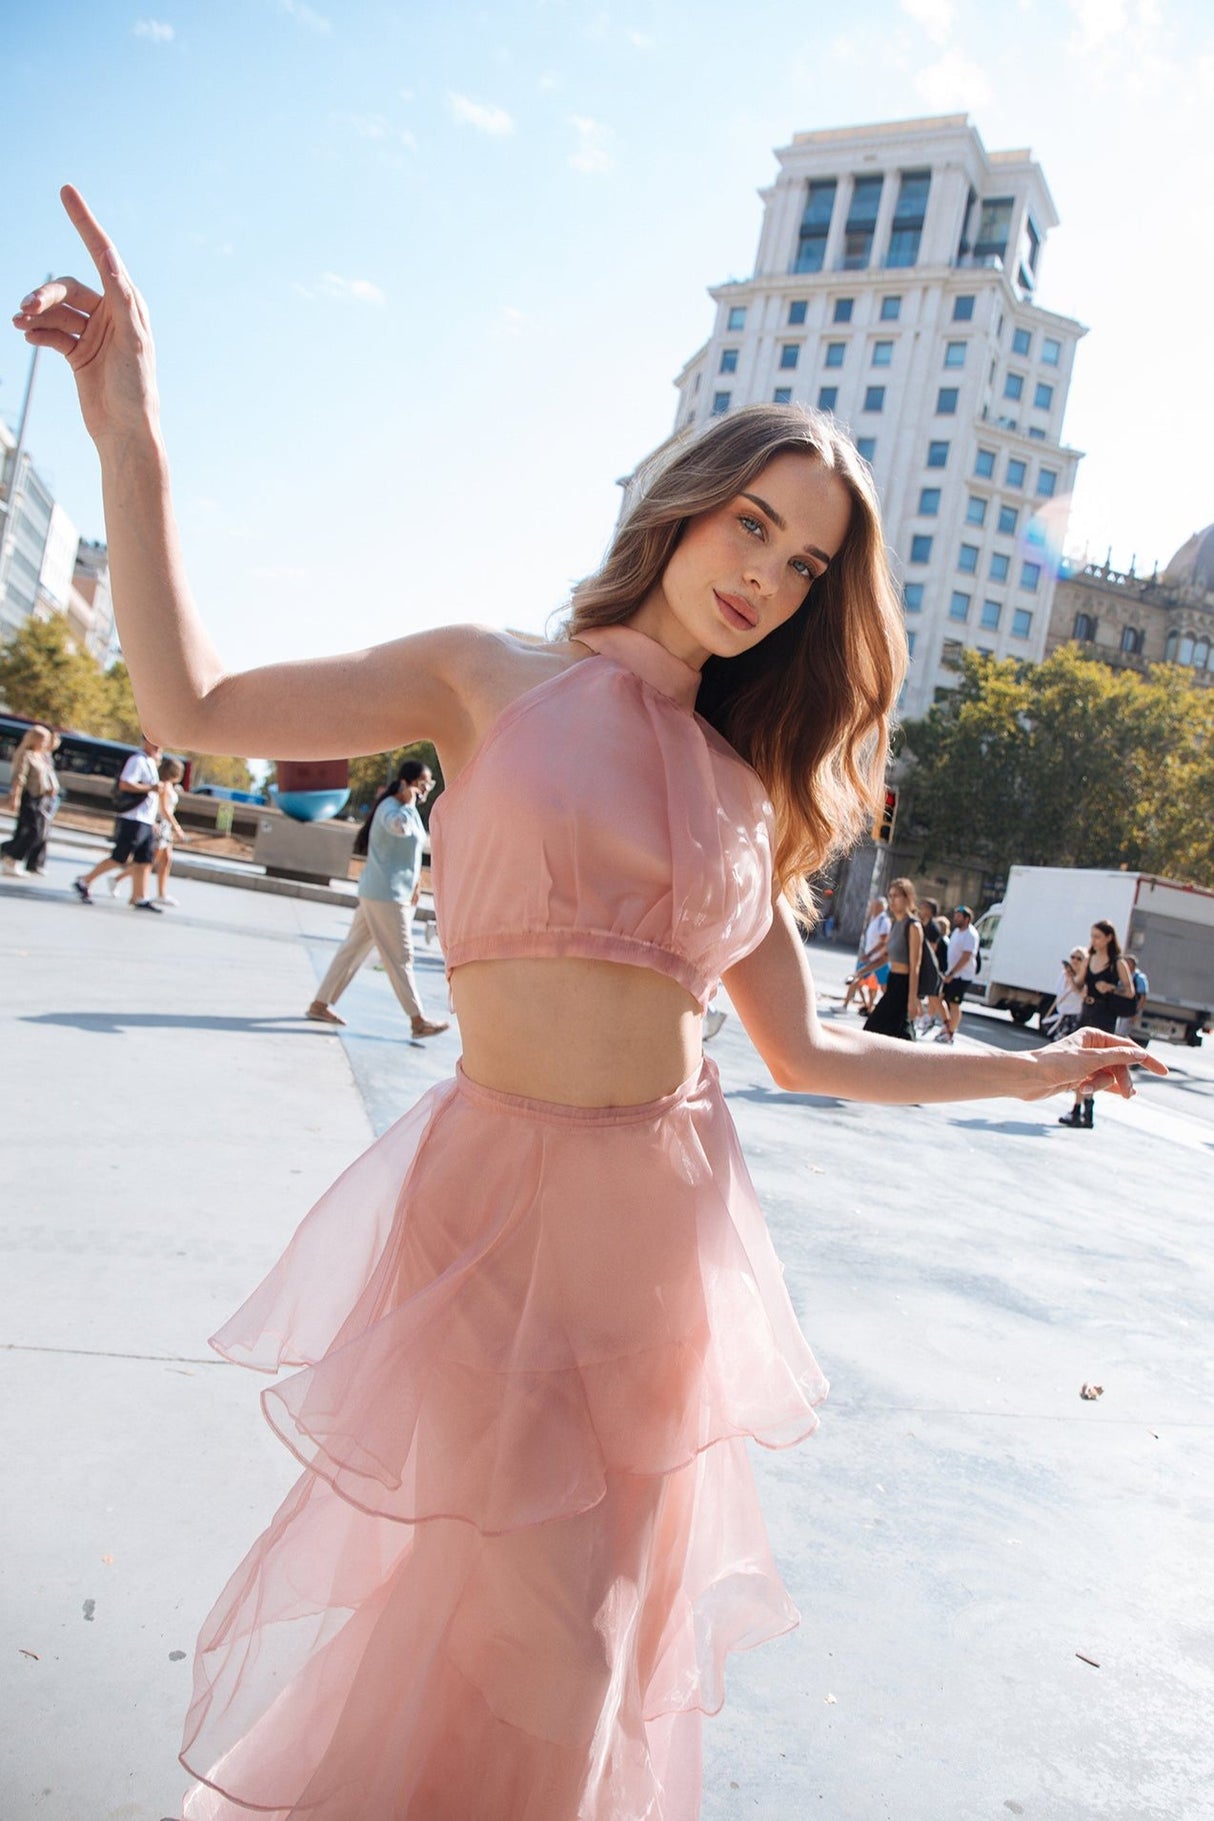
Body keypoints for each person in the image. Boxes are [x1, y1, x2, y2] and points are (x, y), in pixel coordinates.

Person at [15, 188, 1162, 1821]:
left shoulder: (747, 790)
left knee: (595, 1656)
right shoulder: (486, 679)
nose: (765, 575)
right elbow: (186, 703)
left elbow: (802, 1051)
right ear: (686, 509)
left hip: (668, 1255)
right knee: (528, 1655)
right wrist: (129, 421)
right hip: (493, 1224)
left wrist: (1023, 1063)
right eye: (750, 527)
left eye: (806, 562)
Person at [306, 760, 449, 1040]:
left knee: (352, 950)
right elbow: (398, 828)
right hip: (385, 895)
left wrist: (416, 883)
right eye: (422, 781)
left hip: (383, 892)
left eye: (428, 783)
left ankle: (319, 1004)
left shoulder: (410, 811)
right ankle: (418, 1020)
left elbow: (412, 851)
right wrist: (408, 801)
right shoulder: (392, 809)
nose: (426, 787)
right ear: (407, 782)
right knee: (402, 956)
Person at [73, 731, 165, 911]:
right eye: (155, 744)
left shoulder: (150, 763)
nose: (158, 748)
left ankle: (139, 896)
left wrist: (152, 820)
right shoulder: (137, 760)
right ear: (145, 741)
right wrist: (151, 787)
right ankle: (85, 880)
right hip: (133, 818)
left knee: (144, 860)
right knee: (121, 856)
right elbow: (125, 783)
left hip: (145, 820)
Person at [1058, 920, 1136, 1129]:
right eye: (1092, 936)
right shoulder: (1090, 958)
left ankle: (1083, 1110)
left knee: (1093, 1064)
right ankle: (1081, 1109)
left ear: (1109, 937)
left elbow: (1130, 992)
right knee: (1081, 1061)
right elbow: (1079, 986)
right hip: (1087, 1011)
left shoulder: (1117, 963)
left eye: (1098, 936)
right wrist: (1070, 975)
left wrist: (1111, 987)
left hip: (1104, 1015)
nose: (1093, 940)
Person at [108, 754, 187, 903]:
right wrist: (177, 828)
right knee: (148, 861)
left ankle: (160, 893)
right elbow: (164, 809)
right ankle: (119, 880)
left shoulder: (168, 785)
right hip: (159, 824)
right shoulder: (162, 785)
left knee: (165, 859)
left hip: (164, 825)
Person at [862, 877, 923, 1040]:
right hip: (893, 981)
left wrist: (912, 999)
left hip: (904, 986)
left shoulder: (913, 926)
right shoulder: (895, 924)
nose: (892, 900)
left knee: (875, 1029)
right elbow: (885, 957)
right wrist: (862, 971)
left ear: (907, 897)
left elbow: (915, 965)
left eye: (896, 895)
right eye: (890, 895)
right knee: (890, 1033)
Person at [2, 723, 60, 875]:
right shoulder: (25, 754)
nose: (47, 743)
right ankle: (10, 856)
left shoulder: (40, 755)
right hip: (29, 797)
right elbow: (19, 777)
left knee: (35, 832)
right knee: (32, 831)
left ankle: (12, 858)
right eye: (44, 739)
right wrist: (15, 796)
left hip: (41, 797)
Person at [839, 894, 889, 1014]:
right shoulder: (873, 919)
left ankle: (876, 1008)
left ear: (881, 907)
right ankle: (848, 1005)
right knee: (857, 979)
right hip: (869, 957)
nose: (873, 907)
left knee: (881, 986)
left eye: (876, 905)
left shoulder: (883, 921)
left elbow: (884, 942)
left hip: (878, 959)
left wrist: (870, 954)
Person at [937, 904, 980, 1044]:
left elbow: (966, 957)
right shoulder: (957, 931)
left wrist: (952, 973)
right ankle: (947, 1023)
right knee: (939, 998)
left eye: (959, 916)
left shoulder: (971, 934)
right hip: (951, 974)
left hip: (961, 976)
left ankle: (950, 1033)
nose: (956, 918)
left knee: (954, 1004)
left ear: (967, 919)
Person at [916, 896, 948, 1034]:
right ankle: (924, 1018)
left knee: (934, 998)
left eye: (923, 906)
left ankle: (947, 1026)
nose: (920, 909)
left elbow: (932, 949)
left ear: (929, 910)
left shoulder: (933, 927)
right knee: (923, 996)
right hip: (926, 966)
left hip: (933, 968)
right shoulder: (924, 924)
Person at [1042, 946, 1088, 1042]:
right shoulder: (1064, 974)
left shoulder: (1083, 978)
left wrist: (1071, 979)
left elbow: (1080, 994)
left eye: (1079, 958)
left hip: (1074, 1018)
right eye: (1072, 957)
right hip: (1061, 1015)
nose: (1075, 960)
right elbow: (1059, 994)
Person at [1117, 951, 1149, 1039]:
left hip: (1131, 1009)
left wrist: (1136, 1013)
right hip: (1121, 1007)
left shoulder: (1139, 978)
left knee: (1121, 1034)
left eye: (1127, 963)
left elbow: (1143, 997)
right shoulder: (1123, 975)